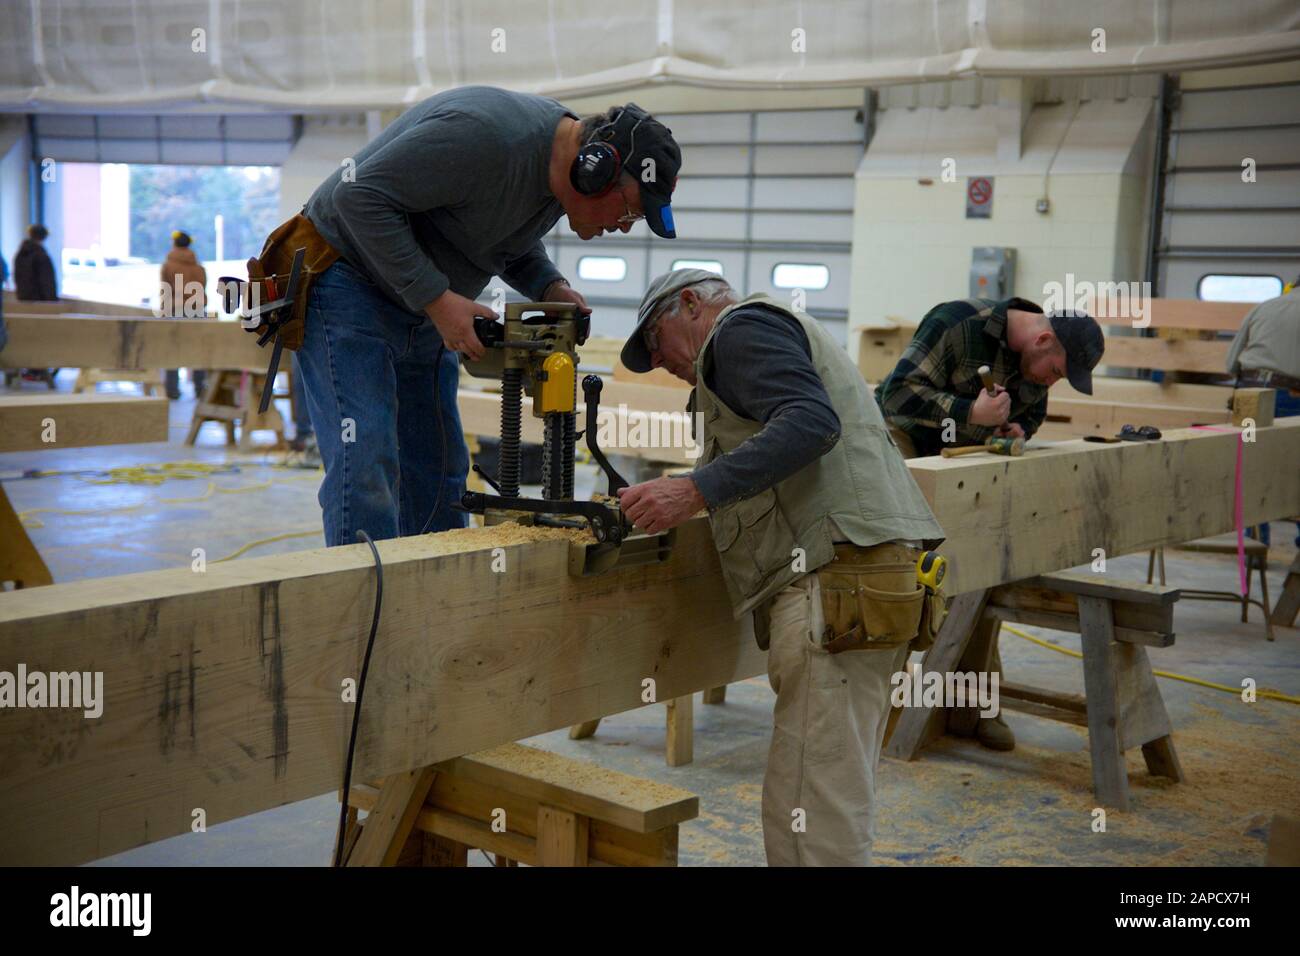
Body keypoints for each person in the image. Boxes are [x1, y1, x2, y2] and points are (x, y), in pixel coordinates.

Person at [615, 270, 945, 866]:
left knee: (811, 814)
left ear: (691, 303)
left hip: (837, 583)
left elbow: (810, 423)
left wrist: (693, 491)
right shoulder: (761, 342)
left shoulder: (740, 331)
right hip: (866, 579)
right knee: (832, 794)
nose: (659, 361)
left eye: (657, 342)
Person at [293, 86, 681, 546]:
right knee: (368, 459)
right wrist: (439, 300)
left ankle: (434, 596)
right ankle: (367, 607)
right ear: (596, 169)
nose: (622, 225)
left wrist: (548, 286)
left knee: (439, 466)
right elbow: (357, 197)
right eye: (631, 211)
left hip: (420, 300)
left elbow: (501, 236)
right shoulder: (485, 138)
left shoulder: (556, 181)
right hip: (347, 281)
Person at [875, 295, 1104, 750]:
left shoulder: (1035, 363)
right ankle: (887, 709)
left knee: (978, 568)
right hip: (902, 443)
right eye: (1056, 372)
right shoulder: (957, 322)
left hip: (962, 456)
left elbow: (1032, 412)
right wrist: (969, 414)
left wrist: (1018, 430)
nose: (1050, 382)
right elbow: (895, 394)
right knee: (902, 571)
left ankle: (971, 709)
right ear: (1041, 339)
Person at [1227, 277, 1300, 547]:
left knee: (1253, 464)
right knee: (1295, 469)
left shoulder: (1263, 307)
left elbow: (1231, 361)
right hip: (1294, 398)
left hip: (1251, 398)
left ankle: (1256, 541)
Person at [159, 230, 208, 399]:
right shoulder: (198, 267)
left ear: (174, 244)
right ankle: (199, 388)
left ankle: (172, 390)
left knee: (173, 351)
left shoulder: (167, 266)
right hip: (197, 311)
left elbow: (165, 291)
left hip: (175, 311)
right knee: (198, 351)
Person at [13, 224, 59, 386]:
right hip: (41, 304)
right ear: (44, 237)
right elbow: (47, 282)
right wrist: (53, 302)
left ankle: (30, 368)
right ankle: (38, 369)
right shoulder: (41, 255)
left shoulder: (21, 253)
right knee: (43, 337)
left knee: (28, 336)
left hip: (24, 301)